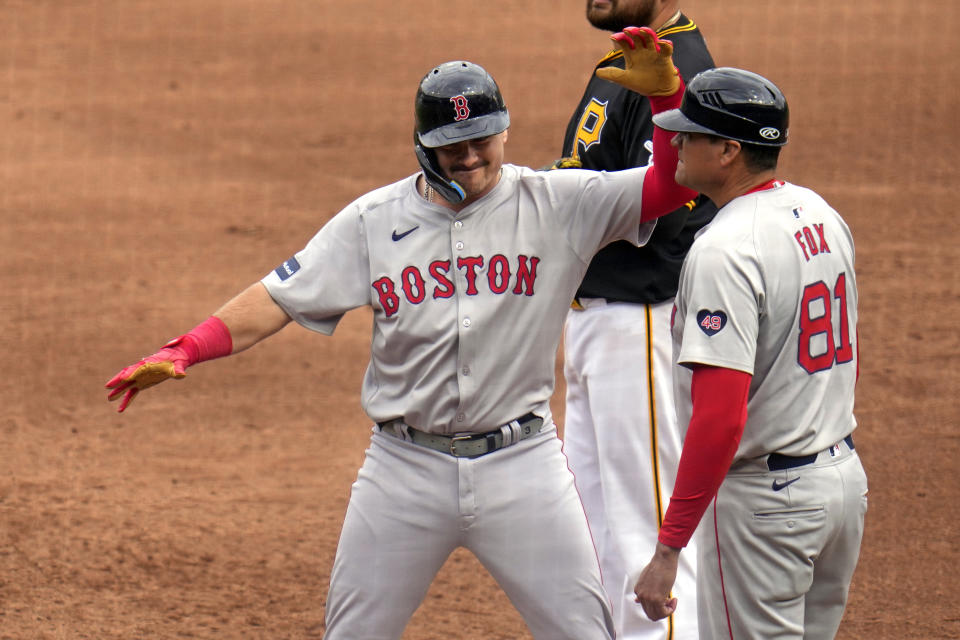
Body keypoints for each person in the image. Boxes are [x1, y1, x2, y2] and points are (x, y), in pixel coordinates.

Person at [105, 29, 697, 640]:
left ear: (503, 131)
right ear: (422, 147)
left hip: (523, 467)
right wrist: (185, 348)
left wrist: (666, 102)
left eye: (478, 139)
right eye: (449, 146)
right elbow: (278, 296)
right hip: (402, 469)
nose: (467, 156)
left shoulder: (559, 202)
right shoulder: (373, 220)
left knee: (584, 632)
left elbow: (672, 186)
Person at [632, 67, 868, 639]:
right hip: (840, 486)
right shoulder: (820, 214)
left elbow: (720, 418)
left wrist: (668, 550)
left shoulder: (724, 249)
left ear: (729, 151)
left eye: (690, 133)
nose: (676, 144)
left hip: (768, 509)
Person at [555, 1, 715, 638]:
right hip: (600, 322)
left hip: (640, 320)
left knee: (647, 539)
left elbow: (669, 204)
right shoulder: (636, 54)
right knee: (595, 538)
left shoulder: (680, 68)